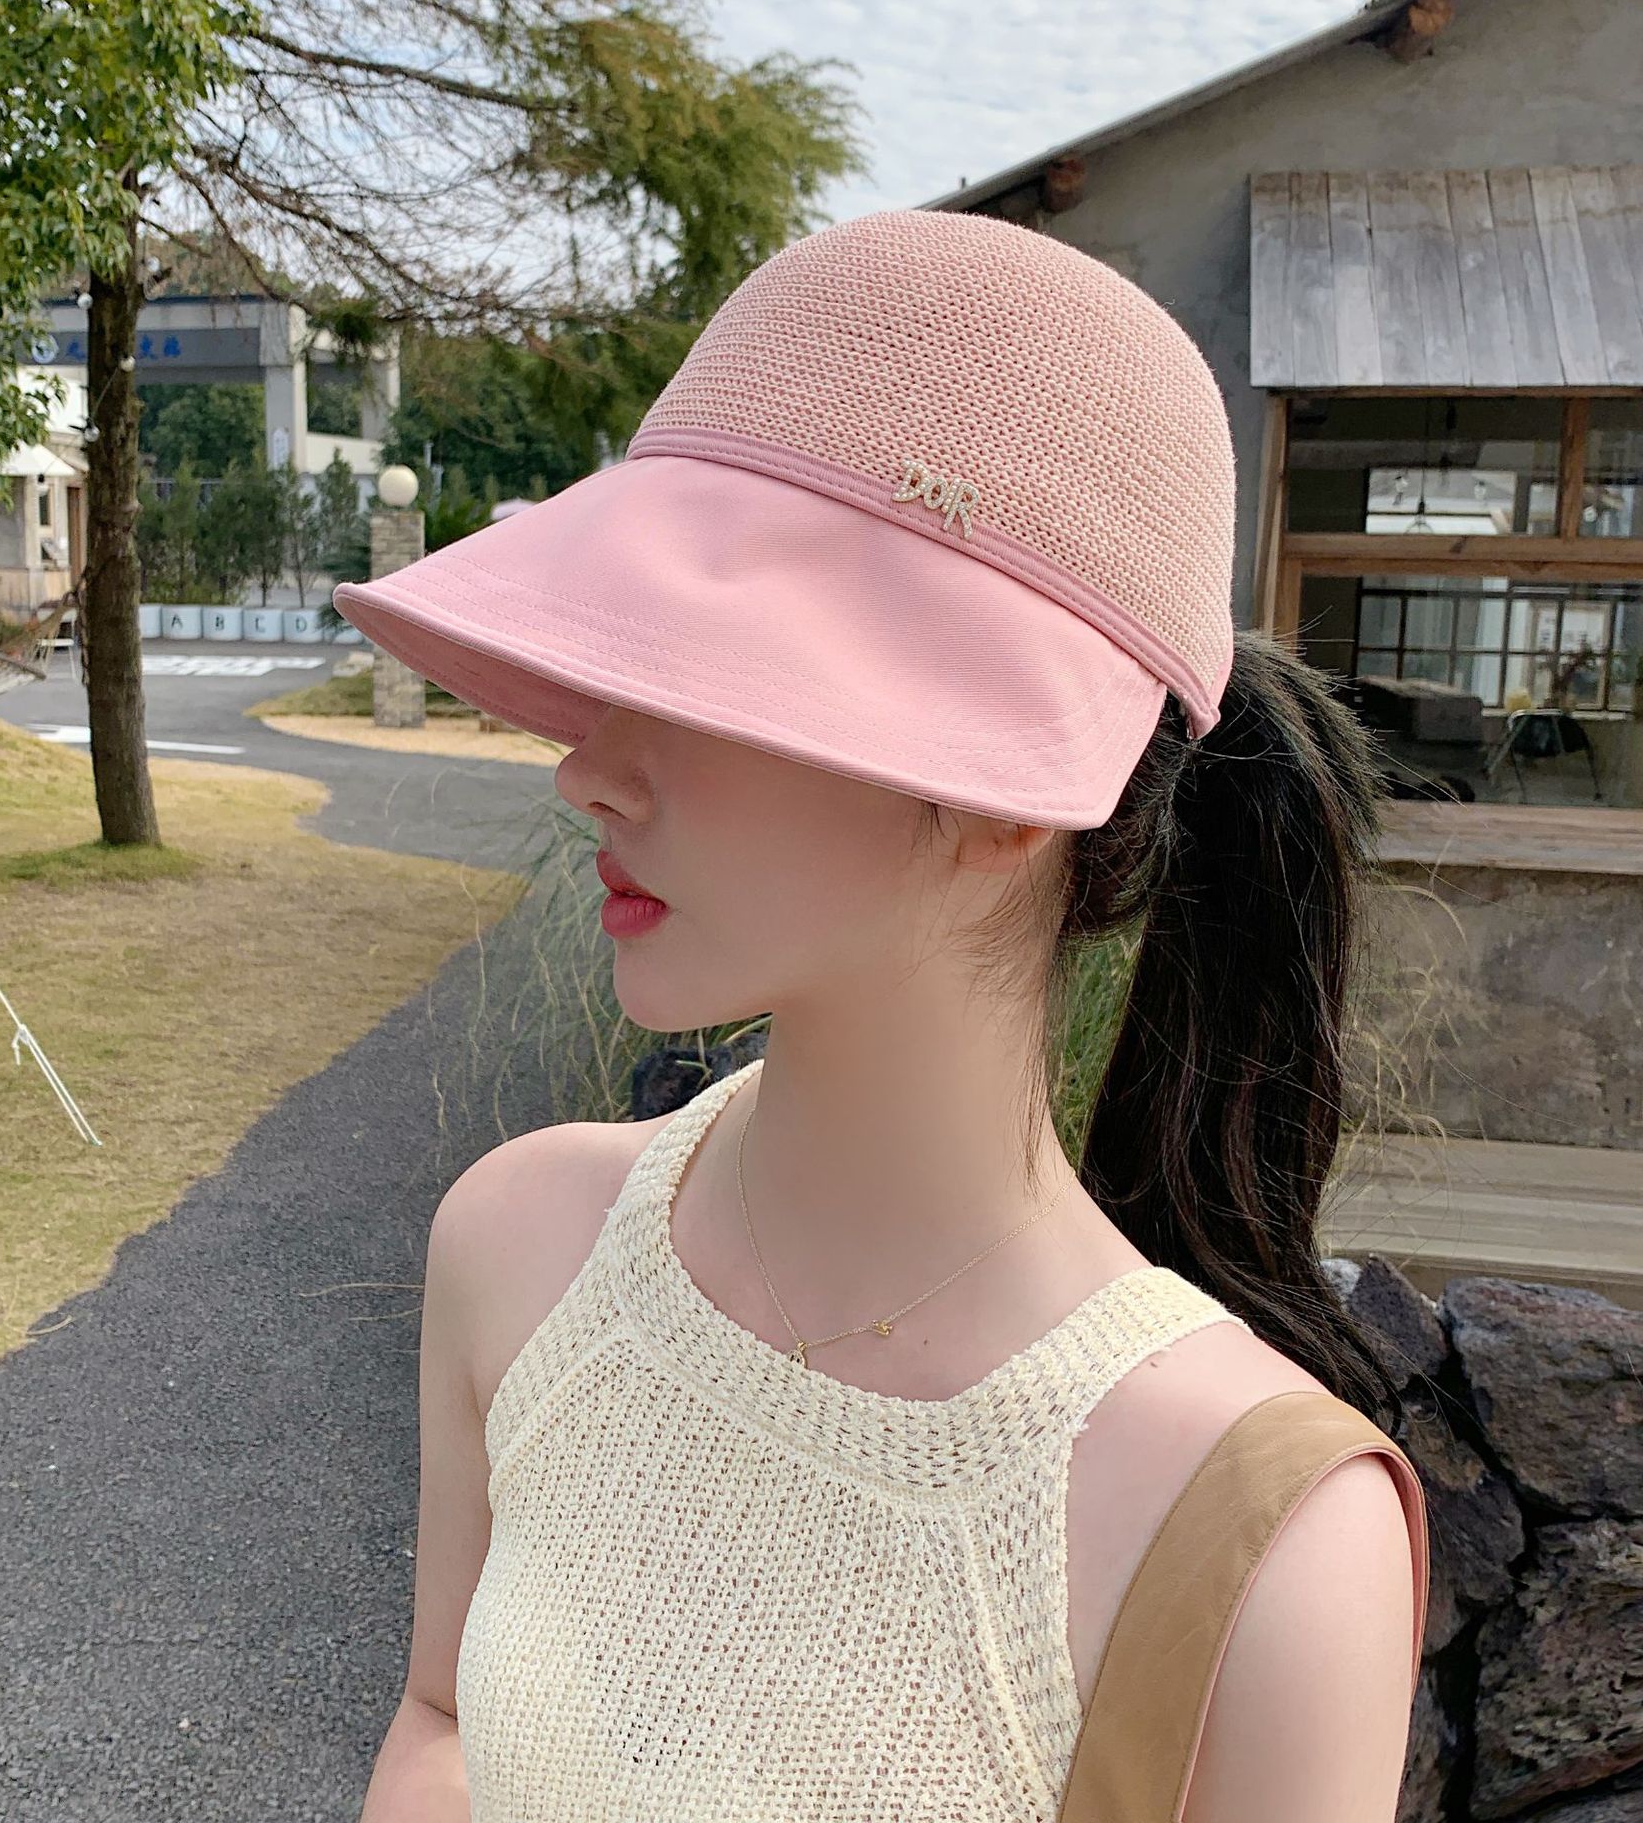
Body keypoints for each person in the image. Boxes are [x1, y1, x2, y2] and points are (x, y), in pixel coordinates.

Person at [341, 210, 1429, 1823]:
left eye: (710, 672)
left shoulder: (1267, 1551)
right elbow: (444, 1720)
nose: (589, 768)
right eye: (624, 655)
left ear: (1008, 789)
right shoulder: (520, 1247)